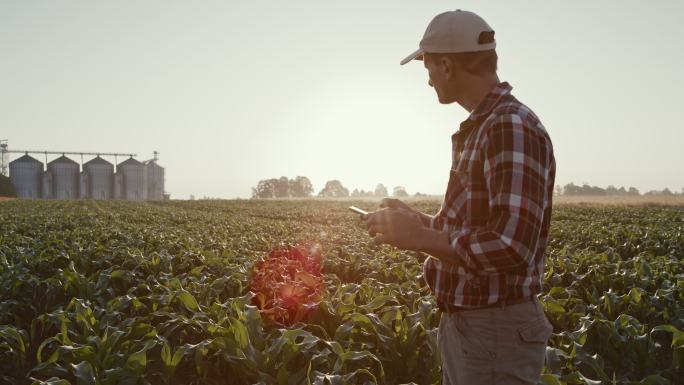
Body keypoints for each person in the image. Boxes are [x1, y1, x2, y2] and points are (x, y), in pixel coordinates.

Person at [362, 9, 556, 385]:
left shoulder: (509, 126)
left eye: (428, 68)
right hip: (477, 328)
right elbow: (475, 230)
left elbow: (512, 246)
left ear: (448, 65)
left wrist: (420, 239)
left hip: (494, 329)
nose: (429, 80)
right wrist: (418, 222)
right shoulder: (485, 126)